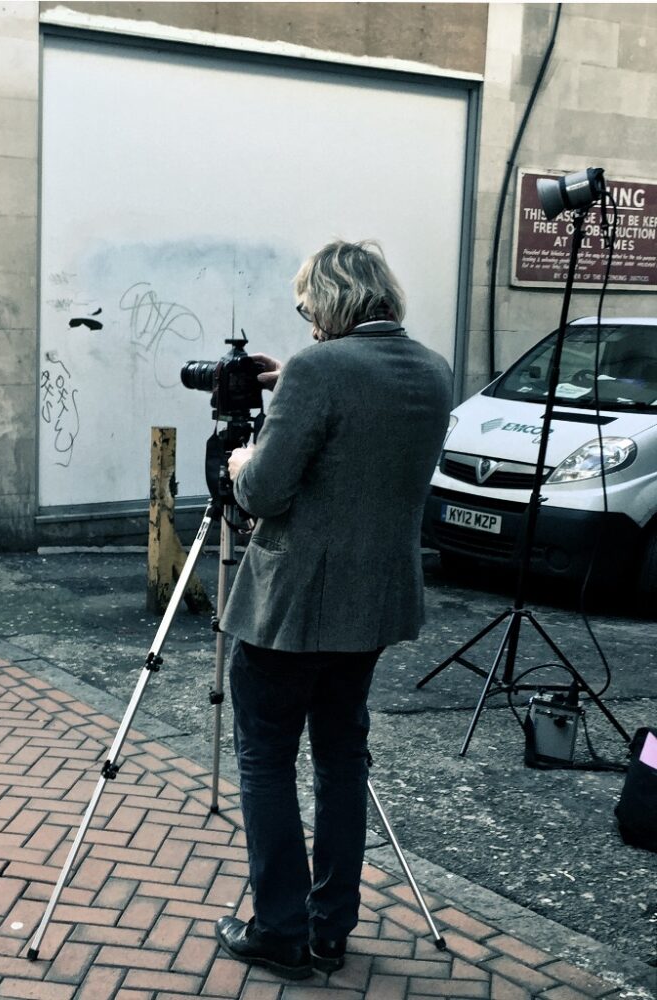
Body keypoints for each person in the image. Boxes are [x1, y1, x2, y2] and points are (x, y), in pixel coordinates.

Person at [214, 239, 453, 980]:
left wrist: (237, 461)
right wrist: (297, 384)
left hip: (291, 608)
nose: (306, 316)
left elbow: (263, 493)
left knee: (265, 761)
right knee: (343, 763)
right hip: (373, 606)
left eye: (306, 303)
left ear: (331, 299)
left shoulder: (320, 369)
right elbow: (363, 429)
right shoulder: (432, 369)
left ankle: (279, 930)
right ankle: (329, 930)